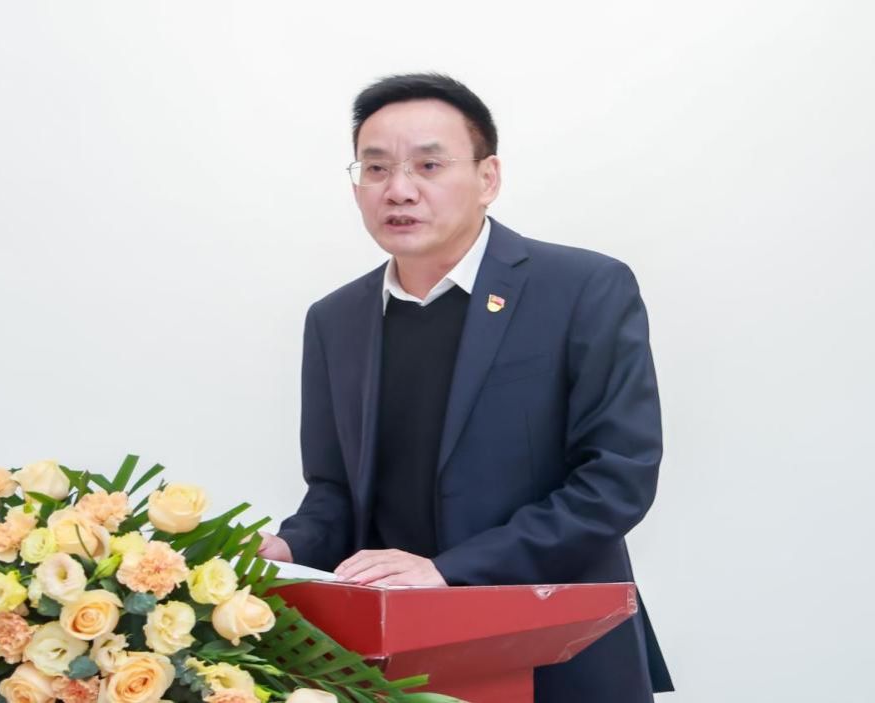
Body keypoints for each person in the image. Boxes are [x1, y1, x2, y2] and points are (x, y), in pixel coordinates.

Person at [258, 73, 673, 702]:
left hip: (550, 652)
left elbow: (615, 481)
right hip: (389, 662)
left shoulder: (582, 288)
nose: (399, 190)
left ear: (488, 178)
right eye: (376, 168)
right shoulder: (334, 319)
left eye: (429, 165)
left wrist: (449, 571)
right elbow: (336, 492)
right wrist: (287, 547)